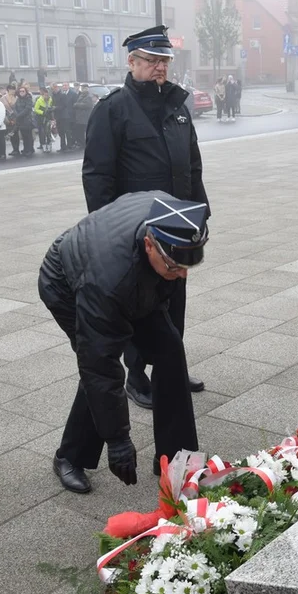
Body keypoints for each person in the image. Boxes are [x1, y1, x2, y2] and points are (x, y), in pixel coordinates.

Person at [38, 192, 208, 492]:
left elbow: (167, 268)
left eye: (187, 267)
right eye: (174, 267)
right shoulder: (106, 283)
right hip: (67, 282)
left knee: (169, 348)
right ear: (148, 244)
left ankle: (177, 457)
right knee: (99, 365)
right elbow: (99, 365)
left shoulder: (172, 222)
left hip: (134, 274)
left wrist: (168, 271)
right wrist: (118, 441)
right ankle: (69, 456)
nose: (181, 275)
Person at [82, 24, 208, 409]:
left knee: (175, 301)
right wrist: (108, 230)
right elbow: (97, 175)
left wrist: (201, 215)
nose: (159, 68)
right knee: (139, 305)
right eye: (152, 60)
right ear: (131, 62)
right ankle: (136, 377)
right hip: (136, 229)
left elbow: (193, 167)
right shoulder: (113, 110)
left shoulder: (177, 107)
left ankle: (171, 368)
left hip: (178, 225)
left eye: (164, 61)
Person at [12, 85, 35, 156]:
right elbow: (14, 107)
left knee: (29, 136)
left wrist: (19, 115)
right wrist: (16, 114)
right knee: (24, 136)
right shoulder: (18, 99)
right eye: (20, 91)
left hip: (27, 120)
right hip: (20, 121)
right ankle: (25, 149)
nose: (21, 92)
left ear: (26, 92)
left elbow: (27, 109)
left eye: (23, 91)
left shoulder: (28, 99)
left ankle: (30, 149)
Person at [72, 84, 94, 150]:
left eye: (84, 88)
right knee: (79, 131)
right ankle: (82, 143)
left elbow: (88, 105)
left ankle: (87, 144)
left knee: (86, 132)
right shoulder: (81, 95)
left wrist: (77, 105)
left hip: (85, 117)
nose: (82, 89)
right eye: (82, 88)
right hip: (80, 117)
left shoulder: (89, 96)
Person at [54, 82, 75, 151]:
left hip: (66, 116)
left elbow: (68, 105)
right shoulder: (58, 94)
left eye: (66, 85)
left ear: (68, 86)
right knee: (61, 132)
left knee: (67, 131)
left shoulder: (70, 94)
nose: (64, 87)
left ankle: (70, 145)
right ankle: (63, 146)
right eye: (63, 85)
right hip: (59, 116)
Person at [33, 87, 52, 152]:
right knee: (42, 132)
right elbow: (36, 109)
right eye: (45, 95)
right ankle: (43, 144)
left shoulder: (50, 100)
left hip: (48, 118)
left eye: (47, 95)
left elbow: (52, 107)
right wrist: (42, 112)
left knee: (48, 132)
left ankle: (49, 144)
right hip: (41, 118)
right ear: (43, 95)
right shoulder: (39, 100)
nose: (46, 96)